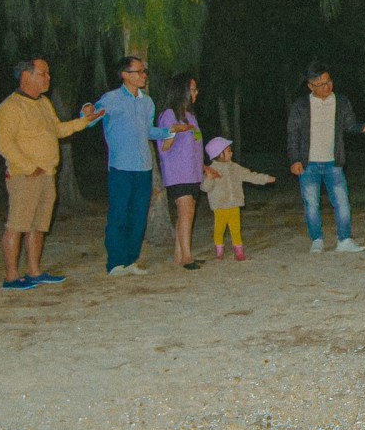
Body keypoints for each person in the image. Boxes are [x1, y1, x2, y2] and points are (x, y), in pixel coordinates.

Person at [0, 58, 102, 289]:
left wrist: (84, 122)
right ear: (26, 76)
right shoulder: (9, 108)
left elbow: (58, 130)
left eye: (48, 73)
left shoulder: (43, 103)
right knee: (17, 225)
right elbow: (5, 145)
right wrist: (30, 168)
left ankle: (35, 271)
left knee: (39, 225)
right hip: (25, 176)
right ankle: (11, 277)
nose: (48, 78)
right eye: (43, 74)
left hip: (46, 174)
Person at [285, 62, 365, 253]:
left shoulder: (341, 102)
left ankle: (345, 240)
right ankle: (317, 240)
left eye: (329, 81)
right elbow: (293, 133)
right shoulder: (300, 105)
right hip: (308, 163)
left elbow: (350, 126)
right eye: (321, 84)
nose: (327, 87)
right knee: (311, 203)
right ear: (310, 86)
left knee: (342, 201)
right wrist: (294, 160)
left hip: (333, 161)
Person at [96, 56, 183, 275]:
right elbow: (89, 117)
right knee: (119, 214)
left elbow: (148, 131)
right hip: (121, 167)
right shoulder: (111, 99)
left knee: (138, 214)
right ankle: (115, 262)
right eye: (139, 72)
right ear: (125, 75)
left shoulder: (147, 102)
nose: (144, 76)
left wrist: (169, 132)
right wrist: (87, 110)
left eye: (145, 72)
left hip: (143, 167)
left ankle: (131, 260)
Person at [157, 72, 216, 271]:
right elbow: (164, 147)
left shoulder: (191, 116)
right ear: (181, 91)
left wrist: (204, 167)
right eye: (192, 89)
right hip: (177, 173)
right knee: (186, 212)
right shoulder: (169, 115)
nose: (196, 93)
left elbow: (195, 146)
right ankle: (188, 257)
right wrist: (174, 131)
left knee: (187, 213)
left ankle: (179, 255)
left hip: (192, 173)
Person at [200, 137, 274, 260]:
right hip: (220, 206)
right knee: (219, 229)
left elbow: (249, 175)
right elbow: (205, 188)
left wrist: (265, 179)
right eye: (229, 151)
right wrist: (209, 178)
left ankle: (239, 252)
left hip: (234, 205)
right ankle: (219, 251)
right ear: (220, 154)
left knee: (236, 229)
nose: (231, 153)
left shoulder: (235, 167)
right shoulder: (212, 170)